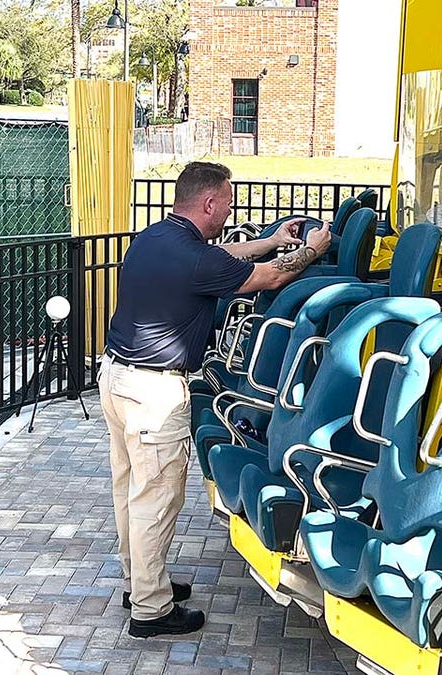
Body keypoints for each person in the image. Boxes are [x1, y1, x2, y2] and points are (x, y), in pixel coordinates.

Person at [99, 161, 332, 638]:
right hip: (154, 392)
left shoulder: (157, 238)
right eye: (227, 201)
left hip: (117, 381)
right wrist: (309, 250)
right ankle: (150, 610)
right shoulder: (194, 259)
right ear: (209, 203)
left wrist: (269, 240)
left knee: (129, 492)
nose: (230, 209)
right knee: (155, 500)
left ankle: (141, 582)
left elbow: (225, 255)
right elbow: (269, 278)